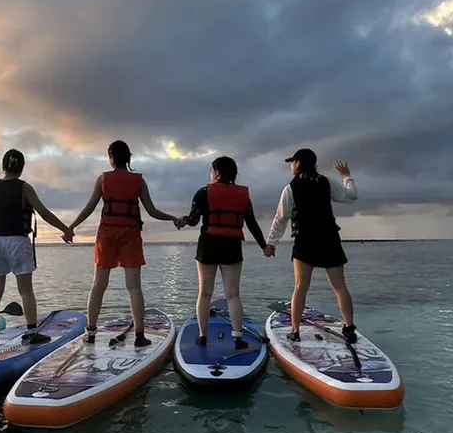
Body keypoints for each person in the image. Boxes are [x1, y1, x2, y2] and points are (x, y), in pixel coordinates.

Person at [68, 140, 179, 347]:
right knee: (134, 286)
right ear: (128, 158)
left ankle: (90, 333)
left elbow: (89, 208)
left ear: (111, 159)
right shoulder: (138, 181)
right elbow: (152, 211)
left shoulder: (103, 180)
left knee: (99, 285)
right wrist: (173, 218)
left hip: (106, 234)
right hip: (130, 233)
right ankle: (139, 336)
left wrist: (71, 227)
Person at [0, 148, 75, 347]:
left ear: (3, 166)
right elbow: (44, 213)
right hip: (17, 242)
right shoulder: (24, 188)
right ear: (21, 168)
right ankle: (31, 332)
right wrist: (66, 229)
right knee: (25, 290)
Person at [265, 148, 359, 347]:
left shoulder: (291, 188)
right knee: (340, 287)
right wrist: (346, 176)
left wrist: (271, 243)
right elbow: (351, 196)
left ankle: (295, 331)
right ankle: (350, 329)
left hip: (305, 241)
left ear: (298, 164)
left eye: (293, 162)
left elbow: (281, 218)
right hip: (329, 240)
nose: (291, 166)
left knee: (300, 287)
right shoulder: (326, 182)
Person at [176, 156, 271, 350]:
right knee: (233, 295)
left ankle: (203, 336)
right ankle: (238, 338)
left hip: (208, 245)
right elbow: (252, 224)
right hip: (232, 245)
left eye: (212, 171)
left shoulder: (203, 193)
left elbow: (194, 220)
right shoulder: (243, 195)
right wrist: (264, 246)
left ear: (217, 173)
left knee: (205, 293)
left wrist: (183, 220)